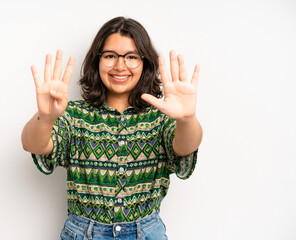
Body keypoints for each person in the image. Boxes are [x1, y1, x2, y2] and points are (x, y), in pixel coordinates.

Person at [22, 16, 202, 240]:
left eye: (131, 57)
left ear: (144, 63)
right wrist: (46, 117)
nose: (120, 65)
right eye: (110, 56)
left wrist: (187, 119)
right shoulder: (74, 115)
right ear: (97, 61)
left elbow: (184, 147)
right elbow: (34, 144)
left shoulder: (159, 117)